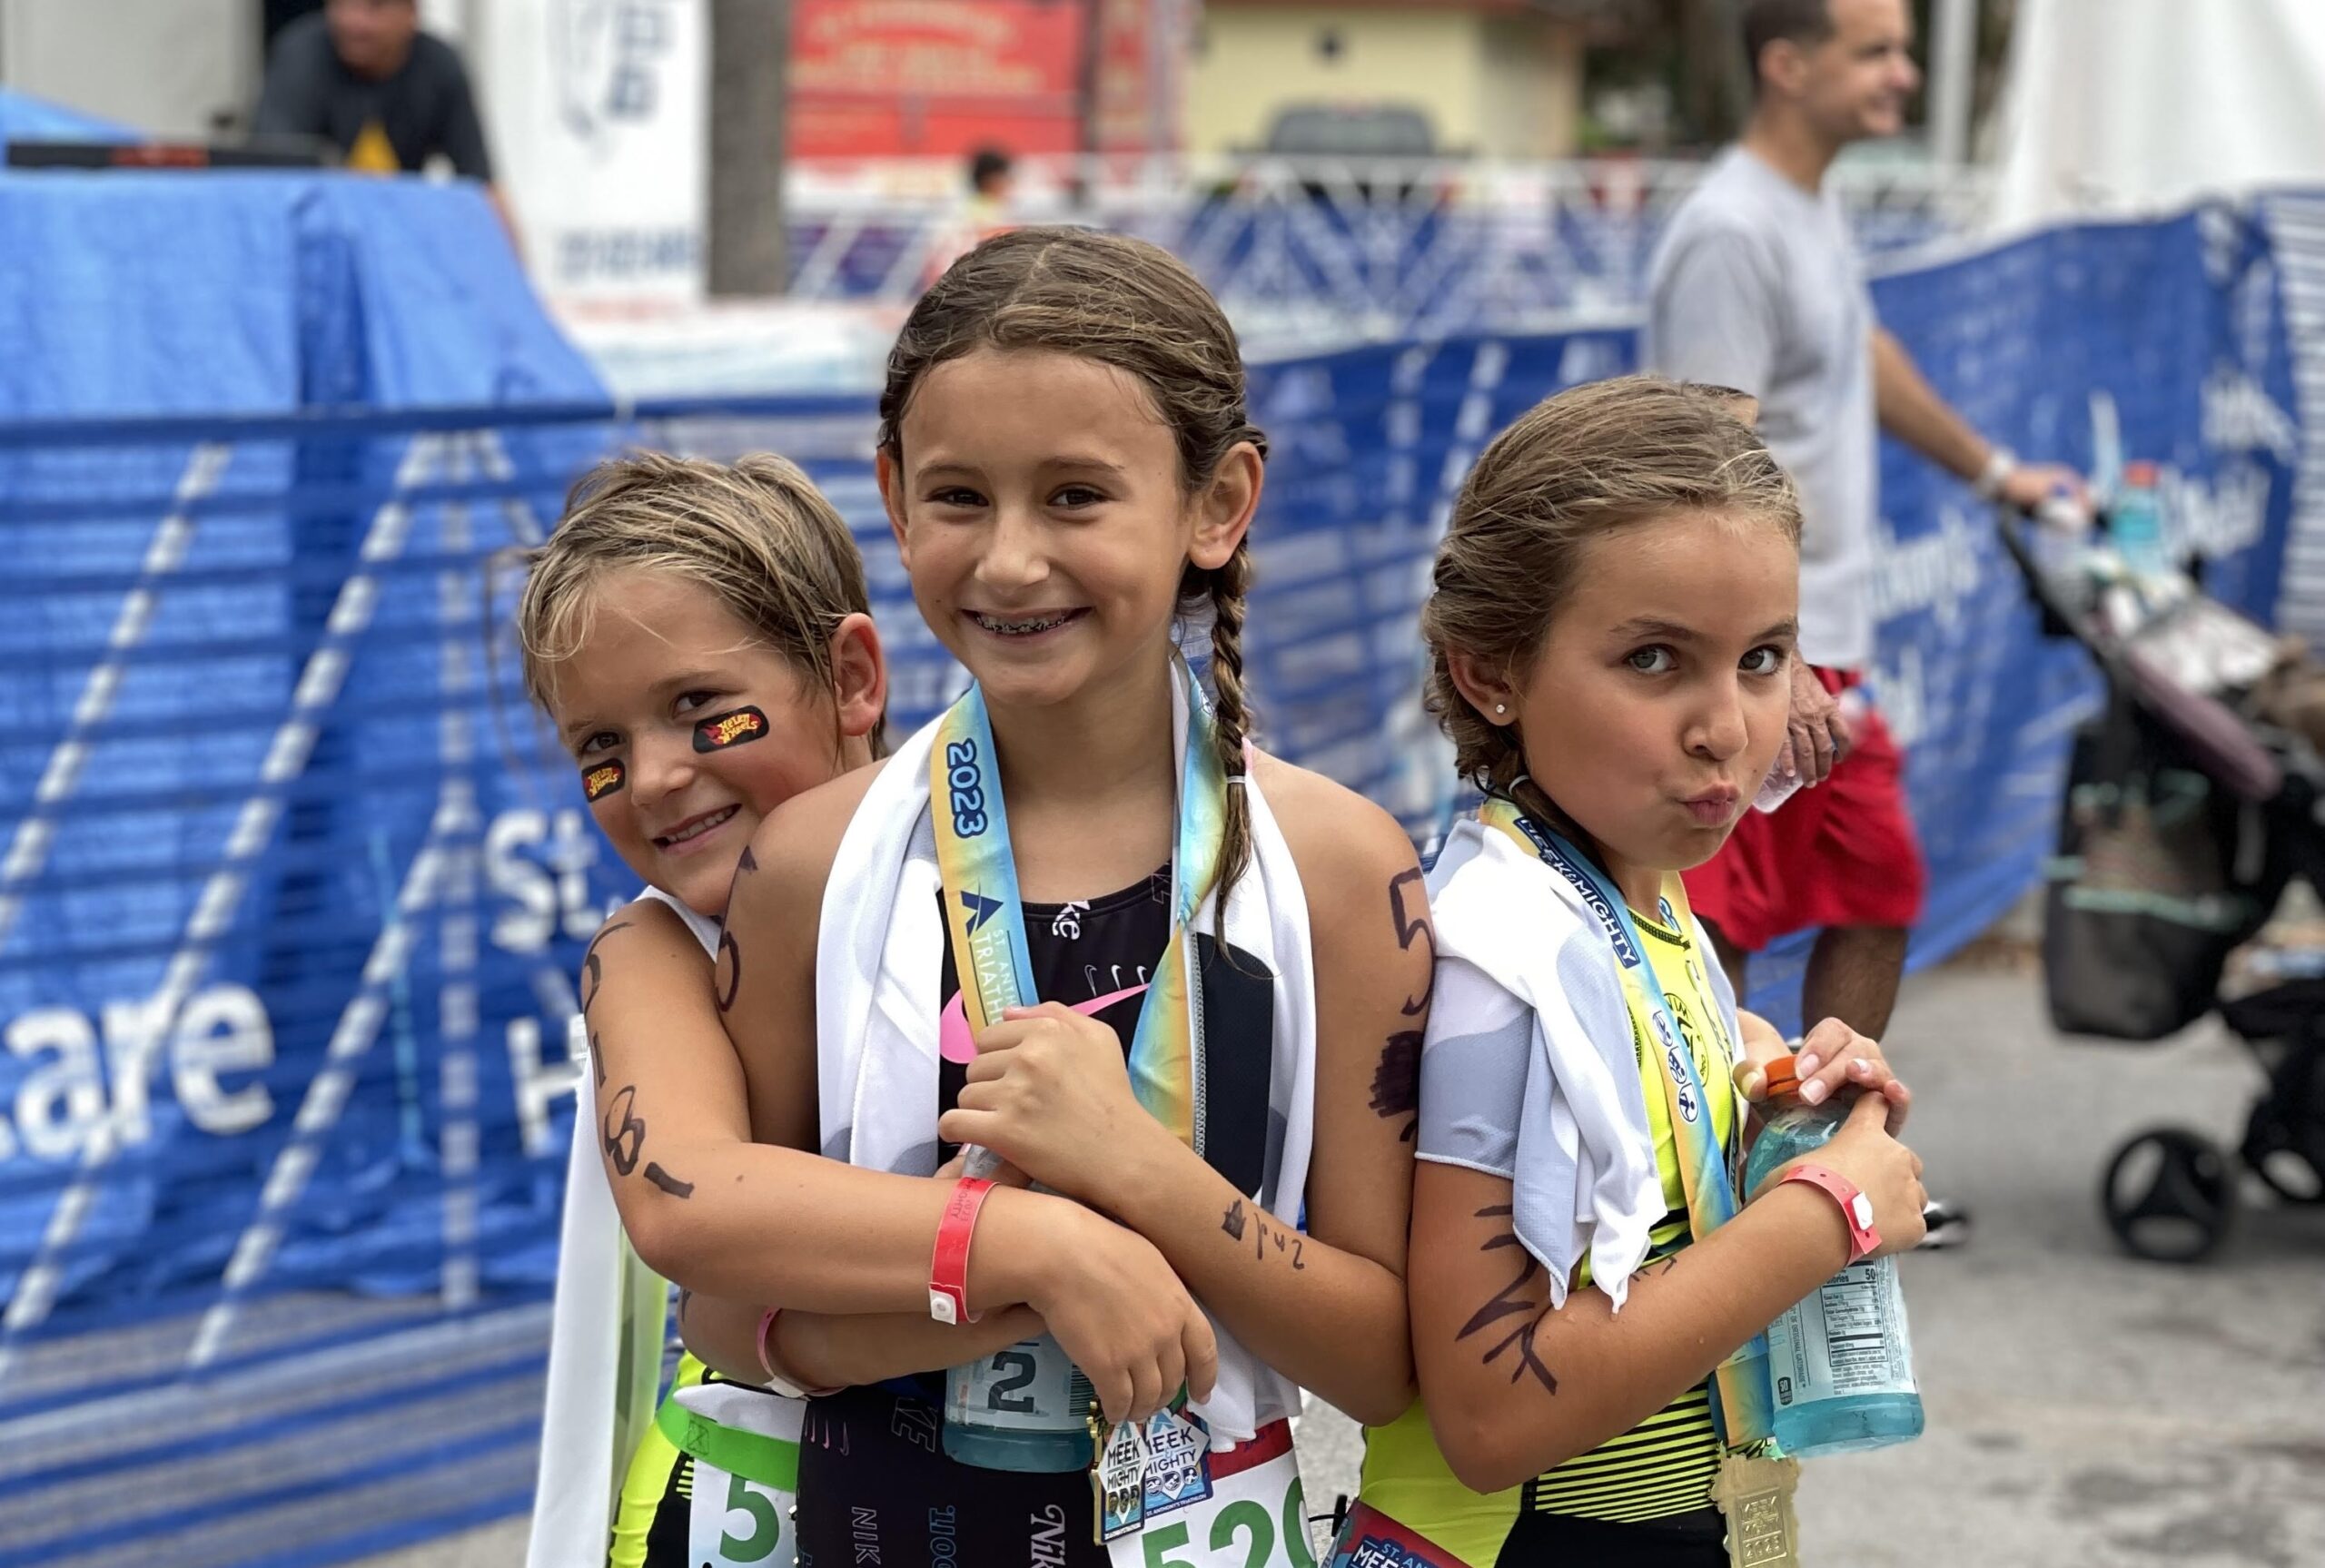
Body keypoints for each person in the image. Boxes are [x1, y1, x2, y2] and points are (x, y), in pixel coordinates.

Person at [631, 223, 1430, 1563]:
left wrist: (1137, 1173)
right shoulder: (815, 862)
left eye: (1074, 496)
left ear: (1219, 502)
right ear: (893, 496)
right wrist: (1011, 1257)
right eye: (959, 497)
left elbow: (1381, 1357)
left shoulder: (1344, 869)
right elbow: (721, 1307)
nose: (1008, 560)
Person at [1334, 375, 1926, 1568]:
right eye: (1656, 659)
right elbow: (1492, 1412)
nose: (1726, 726)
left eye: (1762, 657)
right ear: (1489, 670)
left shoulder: (1627, 891)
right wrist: (1828, 1209)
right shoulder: (1501, 960)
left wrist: (1772, 1091)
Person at [1644, 0, 2082, 1068]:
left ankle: (1823, 1132)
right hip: (1763, 651)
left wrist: (1996, 474)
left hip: (1822, 647)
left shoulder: (1804, 203)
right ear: (1787, 66)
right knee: (1716, 924)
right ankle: (1716, 1155)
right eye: (1876, 51)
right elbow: (1707, 465)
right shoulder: (1729, 230)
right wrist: (1770, 652)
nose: (1903, 75)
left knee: (1878, 891)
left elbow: (1860, 351)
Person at [514, 453, 889, 1568]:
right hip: (740, 1516)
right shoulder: (651, 949)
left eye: (698, 710)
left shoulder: (1016, 884)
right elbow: (697, 1218)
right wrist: (1045, 1255)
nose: (652, 778)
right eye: (600, 748)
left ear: (851, 678)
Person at [256, 0, 508, 232]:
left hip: (400, 236)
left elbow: (483, 190)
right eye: (343, 4)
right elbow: (272, 177)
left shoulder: (439, 66)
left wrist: (512, 264)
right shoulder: (301, 55)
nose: (355, 22)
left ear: (411, 13)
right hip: (313, 230)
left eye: (375, 7)